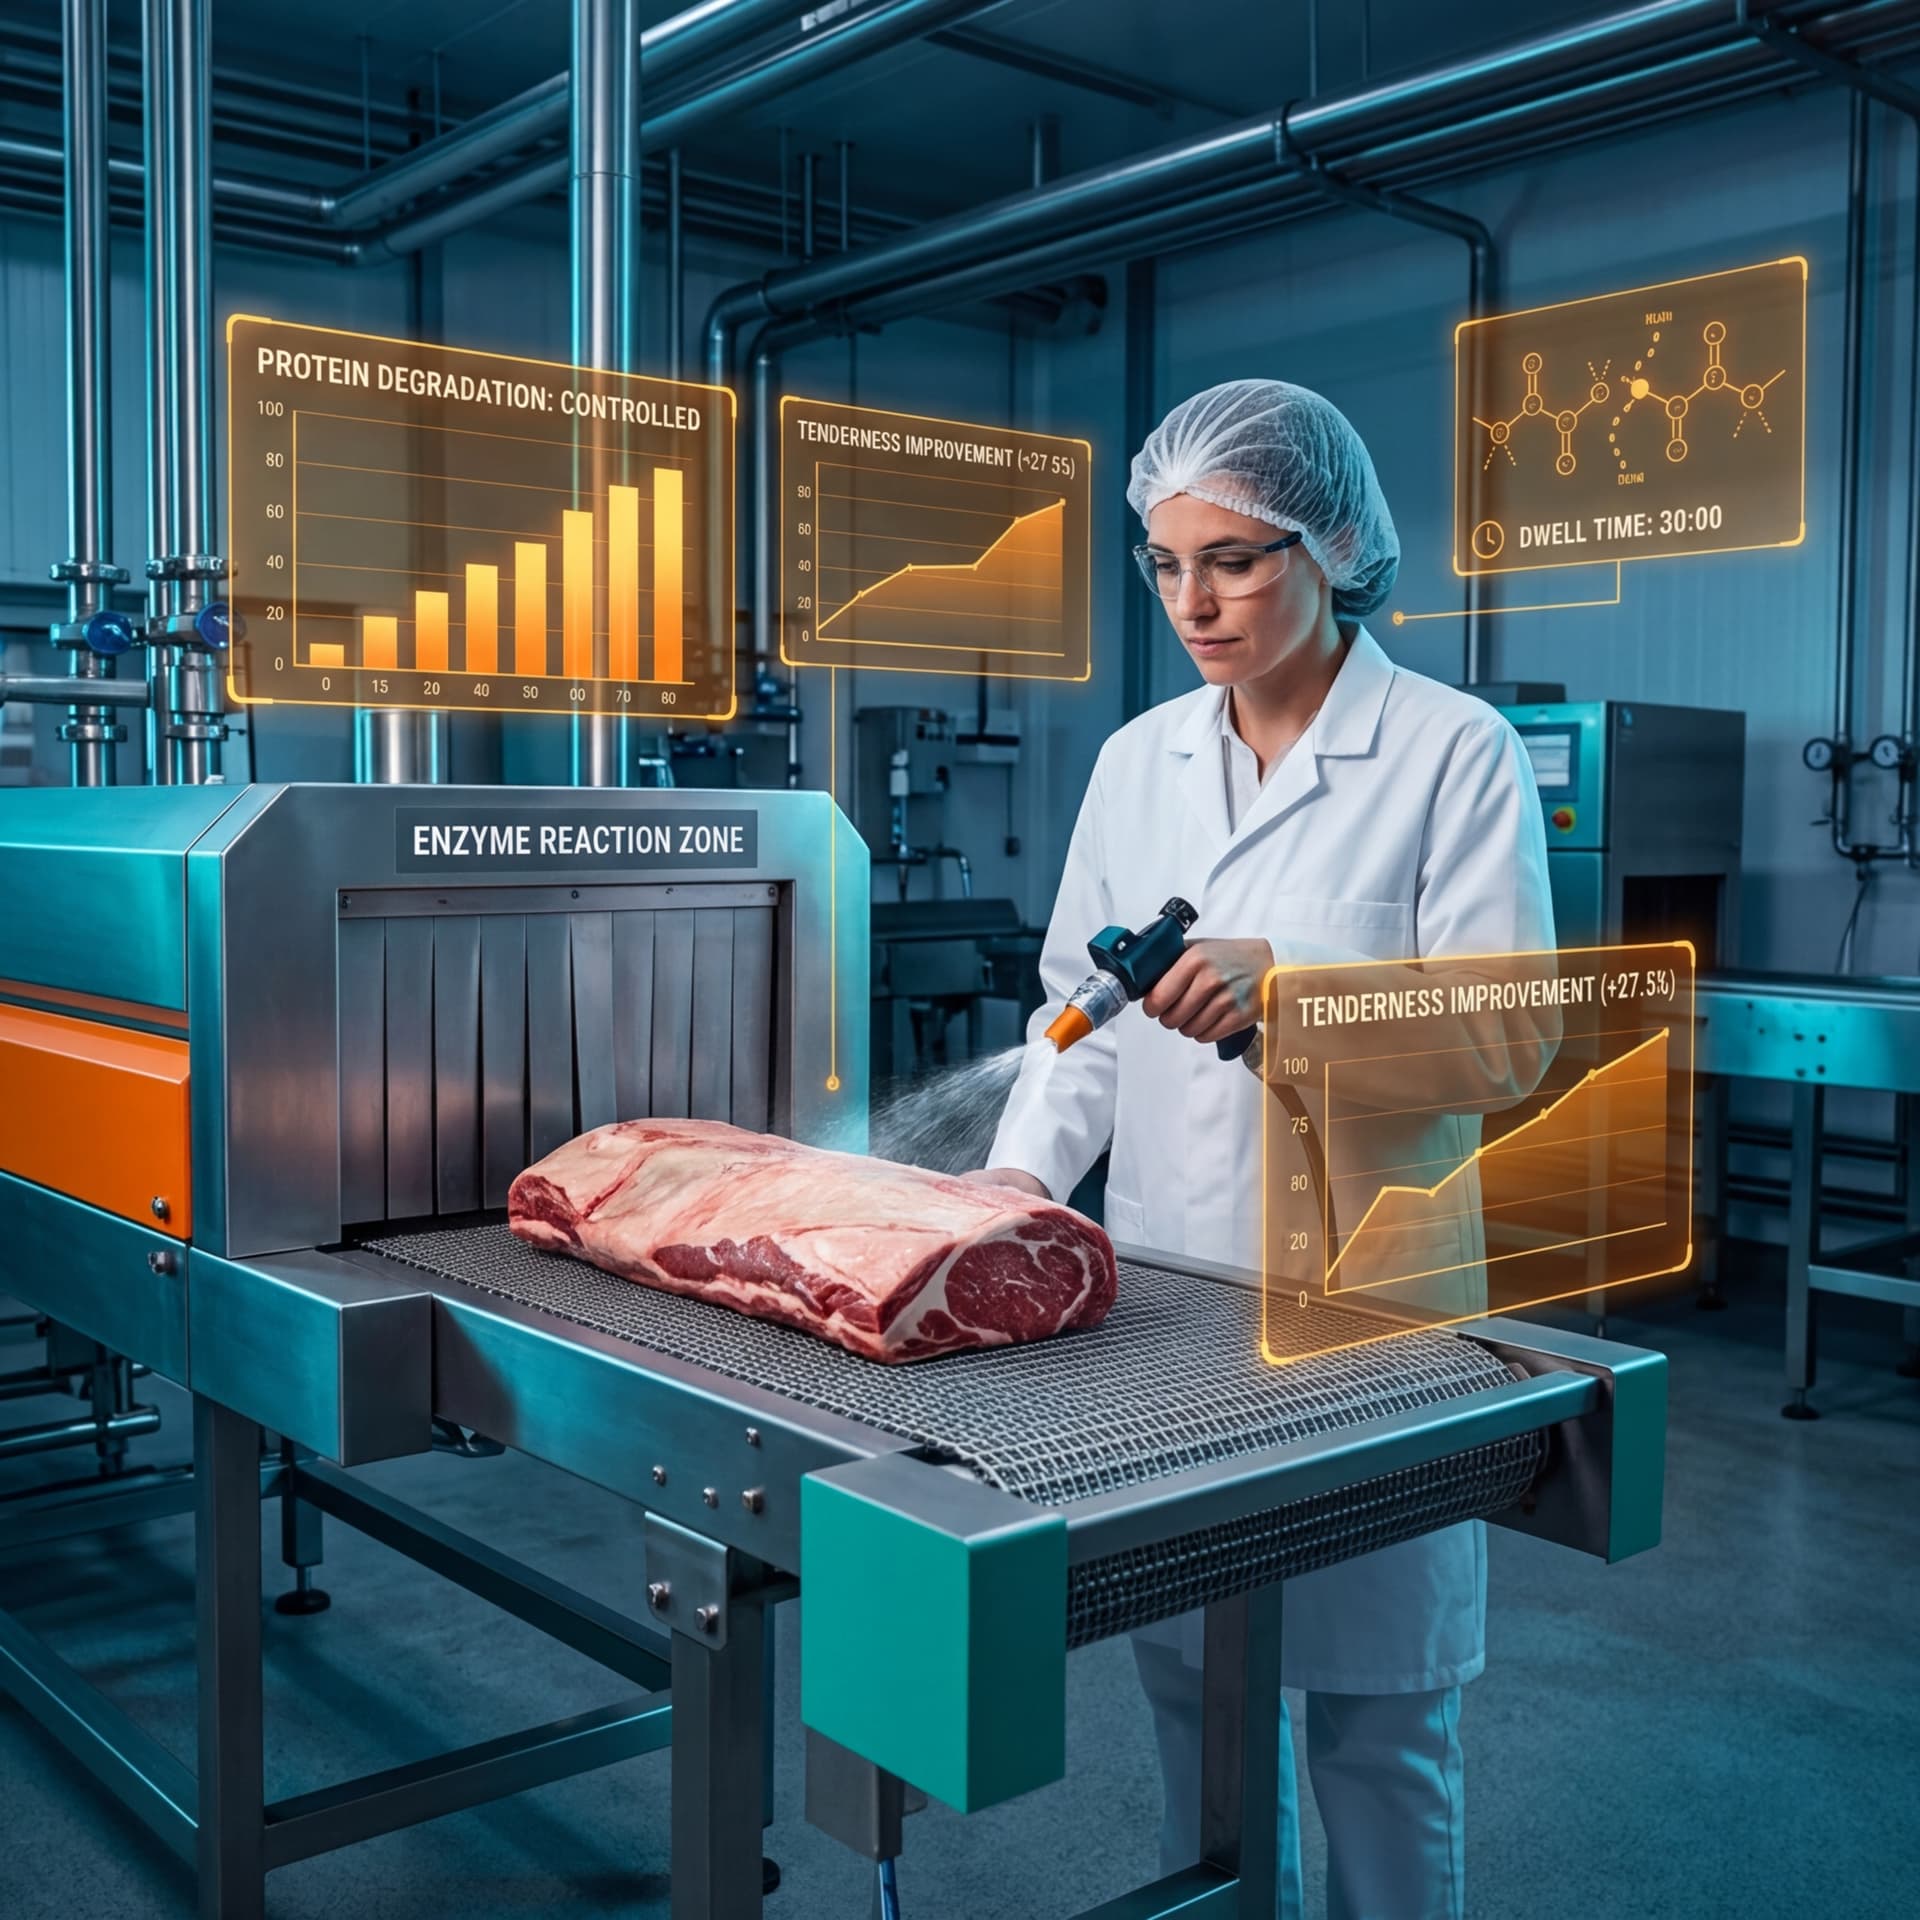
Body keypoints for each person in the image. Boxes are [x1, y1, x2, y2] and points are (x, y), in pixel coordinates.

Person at [966, 378, 1554, 1918]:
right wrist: (1019, 1184)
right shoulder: (1136, 760)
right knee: (1197, 1708)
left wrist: (1293, 1000)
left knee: (1377, 1729)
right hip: (1171, 1314)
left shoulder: (1452, 751)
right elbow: (1069, 1018)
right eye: (1165, 563)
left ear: (1334, 546)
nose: (1192, 599)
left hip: (1370, 1320)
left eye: (1234, 558)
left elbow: (1511, 1040)